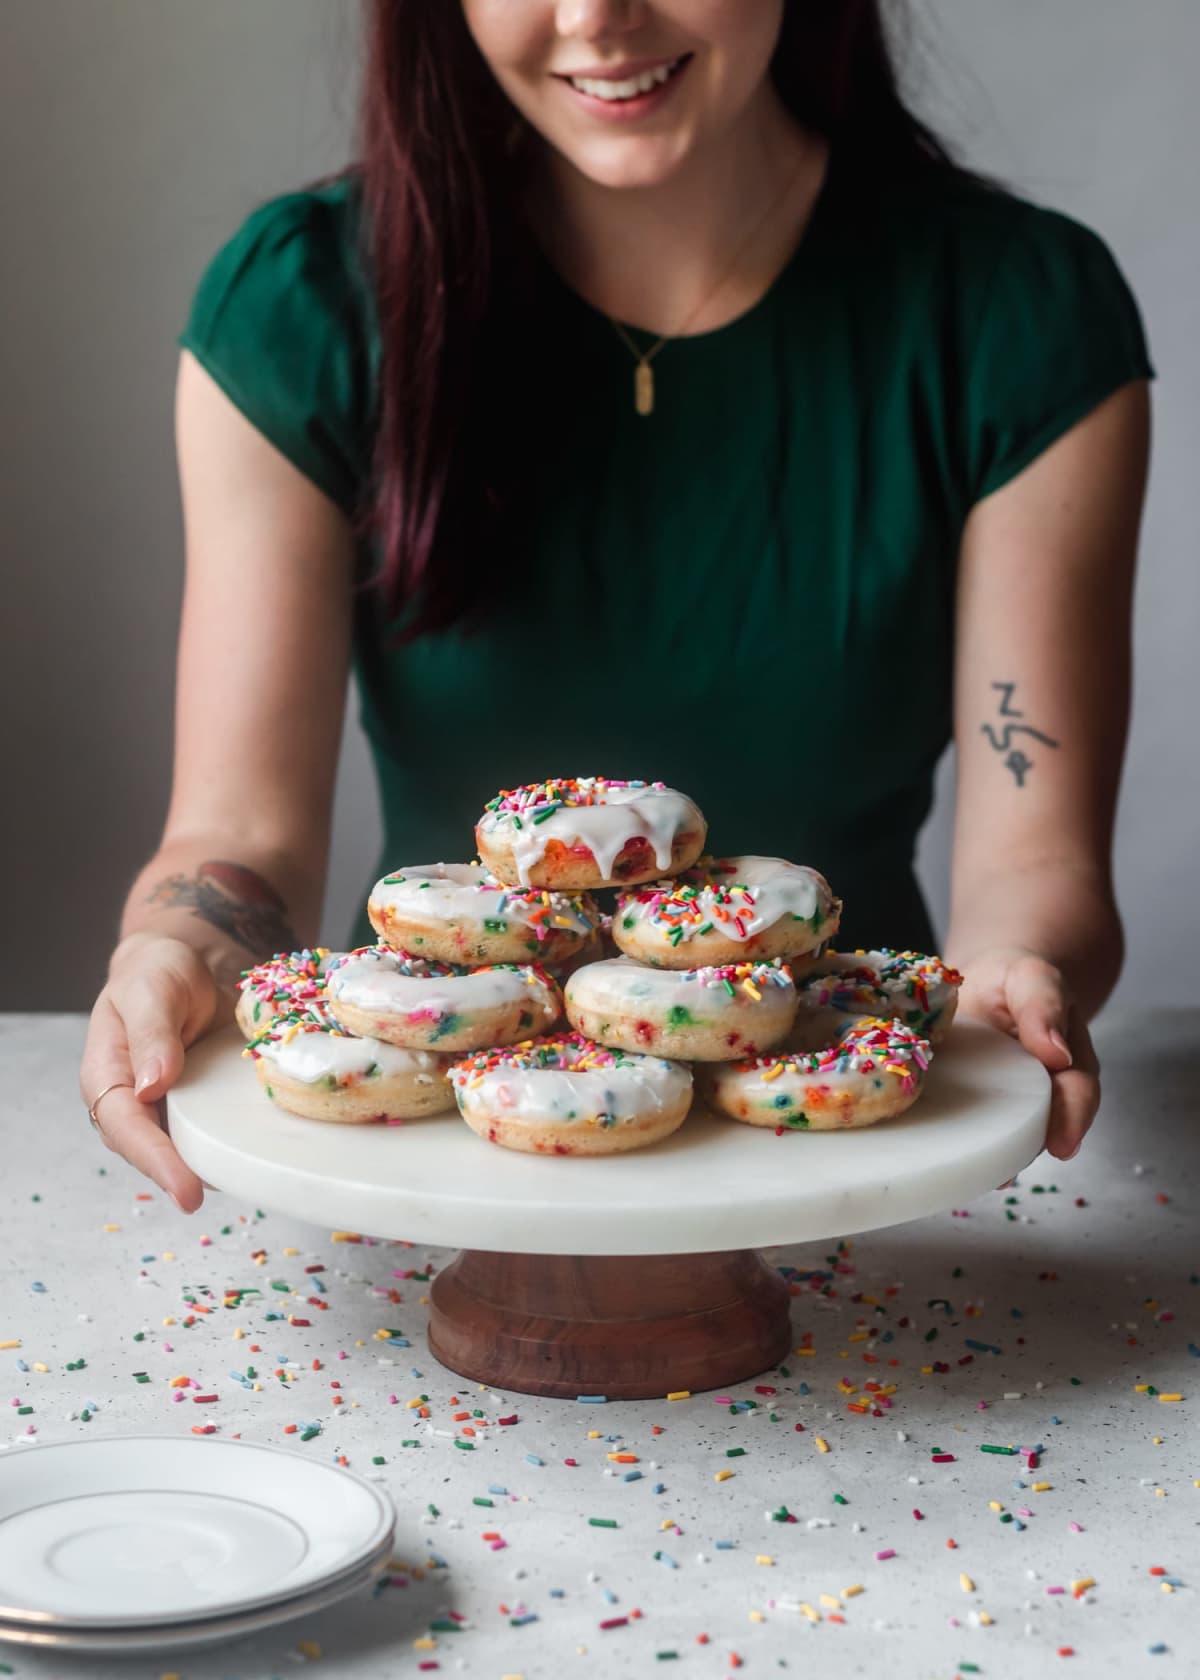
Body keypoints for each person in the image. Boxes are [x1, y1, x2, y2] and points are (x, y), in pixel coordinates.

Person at [80, 0, 1152, 1212]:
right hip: (433, 1171)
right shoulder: (302, 307)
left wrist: (1024, 969)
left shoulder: (1016, 315)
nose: (595, 15)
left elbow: (1037, 857)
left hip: (852, 1175)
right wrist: (176, 947)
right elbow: (242, 836)